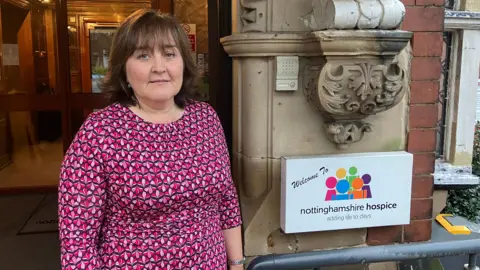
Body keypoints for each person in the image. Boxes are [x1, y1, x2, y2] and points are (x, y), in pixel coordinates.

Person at [58, 9, 244, 269]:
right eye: (143, 55)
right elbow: (78, 243)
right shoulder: (99, 132)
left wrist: (236, 263)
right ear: (123, 67)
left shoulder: (206, 118)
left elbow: (226, 200)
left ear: (183, 63)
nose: (159, 67)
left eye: (169, 54)